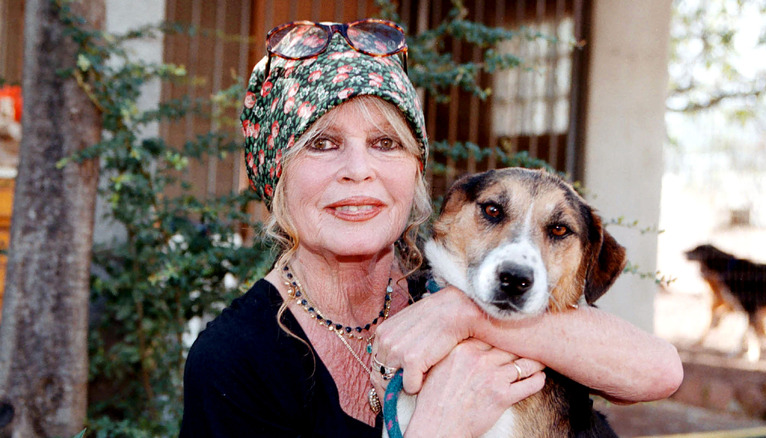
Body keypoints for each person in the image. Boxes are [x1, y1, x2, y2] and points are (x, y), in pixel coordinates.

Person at [180, 19, 683, 438]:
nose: (359, 170)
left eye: (385, 143)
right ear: (276, 175)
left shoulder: (447, 287)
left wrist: (465, 315)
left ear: (416, 170)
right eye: (322, 143)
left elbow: (659, 371)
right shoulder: (234, 361)